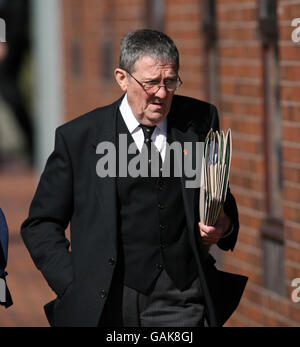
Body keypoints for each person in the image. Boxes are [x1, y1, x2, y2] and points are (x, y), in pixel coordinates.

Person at [21, 29, 247, 327]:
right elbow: (40, 224)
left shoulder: (200, 121)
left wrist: (224, 225)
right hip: (106, 301)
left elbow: (221, 199)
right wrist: (72, 283)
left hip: (180, 296)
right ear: (121, 78)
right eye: (151, 82)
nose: (163, 93)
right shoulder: (78, 138)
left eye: (170, 82)